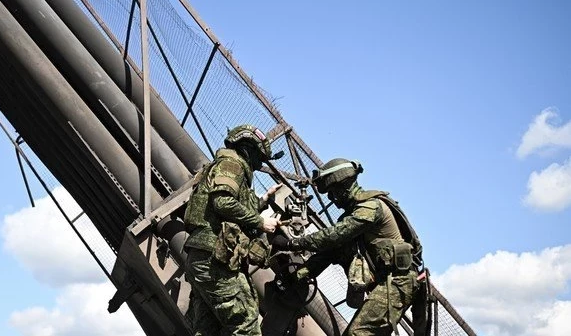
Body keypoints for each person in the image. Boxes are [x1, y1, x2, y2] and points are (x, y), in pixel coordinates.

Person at [273, 158, 427, 336]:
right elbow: (328, 253)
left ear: (343, 187)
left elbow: (333, 236)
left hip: (399, 281)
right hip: (390, 283)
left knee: (357, 333)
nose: (332, 199)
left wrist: (292, 244)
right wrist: (296, 276)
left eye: (332, 193)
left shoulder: (370, 207)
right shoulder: (353, 216)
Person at [183, 124, 281, 336]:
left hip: (203, 257)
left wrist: (263, 201)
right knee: (245, 324)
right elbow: (223, 202)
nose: (259, 164)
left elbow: (231, 206)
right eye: (259, 158)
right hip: (213, 258)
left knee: (206, 329)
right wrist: (260, 222)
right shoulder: (232, 164)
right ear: (247, 149)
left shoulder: (227, 167)